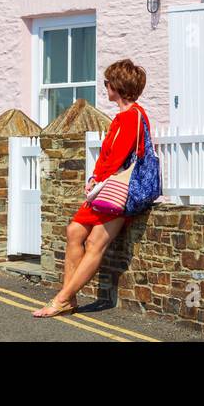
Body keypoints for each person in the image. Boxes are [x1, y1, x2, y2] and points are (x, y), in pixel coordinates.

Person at [33, 58, 149, 318]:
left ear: (118, 86)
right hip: (107, 187)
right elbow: (108, 155)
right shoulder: (122, 117)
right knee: (75, 230)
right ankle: (68, 298)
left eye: (107, 82)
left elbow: (118, 157)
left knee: (95, 242)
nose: (105, 86)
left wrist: (98, 181)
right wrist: (95, 176)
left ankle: (62, 299)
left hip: (119, 192)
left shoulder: (132, 117)